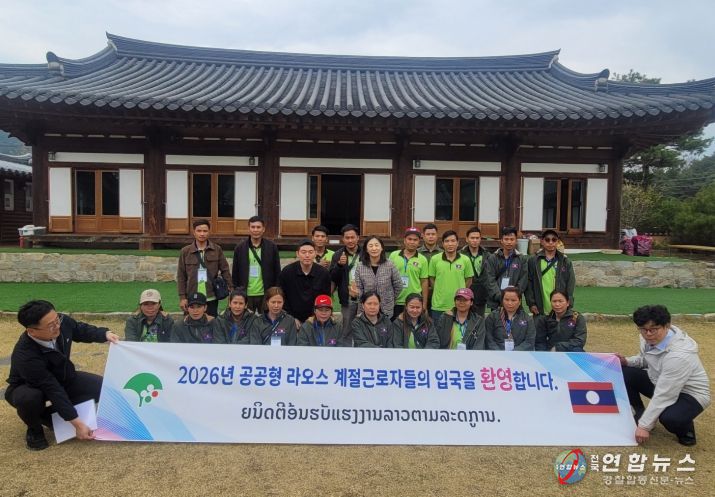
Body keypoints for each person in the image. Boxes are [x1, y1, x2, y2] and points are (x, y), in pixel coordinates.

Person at [5, 300, 119, 450]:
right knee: (29, 399)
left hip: (63, 376)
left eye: (56, 319)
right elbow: (52, 388)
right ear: (32, 331)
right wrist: (77, 423)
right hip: (29, 386)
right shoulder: (25, 355)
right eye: (50, 325)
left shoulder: (61, 322)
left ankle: (48, 416)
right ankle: (34, 428)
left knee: (102, 388)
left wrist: (104, 334)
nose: (57, 326)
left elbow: (79, 329)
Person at [616, 305, 710, 446]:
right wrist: (626, 361)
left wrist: (644, 427)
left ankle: (686, 431)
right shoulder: (648, 338)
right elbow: (646, 360)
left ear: (667, 326)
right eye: (643, 329)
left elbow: (665, 394)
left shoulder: (679, 355)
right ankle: (639, 413)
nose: (648, 334)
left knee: (670, 418)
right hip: (660, 380)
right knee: (624, 372)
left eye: (653, 329)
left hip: (690, 393)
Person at [176, 219, 232, 317]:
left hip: (211, 296)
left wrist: (231, 290)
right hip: (192, 296)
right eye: (199, 231)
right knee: (191, 323)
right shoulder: (185, 251)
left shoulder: (217, 249)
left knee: (211, 323)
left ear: (209, 232)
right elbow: (181, 276)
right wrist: (182, 297)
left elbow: (225, 271)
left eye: (205, 231)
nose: (202, 234)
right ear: (194, 232)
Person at [232, 215, 281, 312]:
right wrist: (237, 291)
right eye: (253, 227)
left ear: (263, 229)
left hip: (266, 293)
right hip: (246, 293)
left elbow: (277, 271)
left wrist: (275, 291)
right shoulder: (240, 248)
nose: (255, 230)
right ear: (249, 229)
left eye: (258, 227)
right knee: (246, 320)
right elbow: (235, 272)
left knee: (266, 319)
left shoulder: (271, 247)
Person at [278, 240, 331, 322]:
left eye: (310, 252)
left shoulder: (323, 273)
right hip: (291, 318)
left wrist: (315, 317)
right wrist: (291, 318)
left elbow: (325, 298)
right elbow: (282, 297)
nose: (307, 255)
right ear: (297, 254)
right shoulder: (287, 272)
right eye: (303, 252)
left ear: (315, 253)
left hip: (316, 318)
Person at [526, 229, 575, 317]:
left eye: (554, 240)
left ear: (558, 242)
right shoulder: (533, 261)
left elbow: (570, 283)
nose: (551, 242)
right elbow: (529, 283)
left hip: (560, 306)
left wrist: (569, 303)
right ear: (542, 241)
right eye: (547, 240)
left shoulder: (565, 261)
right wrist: (531, 303)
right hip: (540, 306)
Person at [428, 230, 474, 321]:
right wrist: (439, 290)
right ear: (442, 243)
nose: (450, 244)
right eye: (447, 241)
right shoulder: (435, 259)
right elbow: (432, 279)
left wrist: (461, 291)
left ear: (457, 243)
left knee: (456, 330)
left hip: (459, 305)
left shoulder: (465, 260)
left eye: (453, 241)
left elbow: (469, 280)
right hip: (439, 305)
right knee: (438, 330)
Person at [354, 235, 403, 320]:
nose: (374, 248)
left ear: (381, 248)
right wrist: (357, 295)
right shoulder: (360, 266)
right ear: (366, 249)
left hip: (386, 308)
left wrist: (390, 298)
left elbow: (398, 285)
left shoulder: (390, 264)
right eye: (370, 246)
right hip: (367, 309)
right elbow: (359, 288)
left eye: (376, 245)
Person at [329, 224, 362, 339]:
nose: (350, 240)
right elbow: (333, 277)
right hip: (347, 298)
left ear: (358, 238)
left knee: (364, 328)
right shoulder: (337, 255)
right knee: (346, 329)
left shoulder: (365, 253)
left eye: (353, 237)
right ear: (343, 239)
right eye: (347, 238)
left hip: (364, 297)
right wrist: (339, 265)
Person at [389, 227, 429, 319]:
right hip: (396, 300)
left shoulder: (422, 259)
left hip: (414, 302)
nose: (412, 242)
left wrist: (424, 304)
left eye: (415, 240)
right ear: (404, 240)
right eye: (409, 239)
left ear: (419, 242)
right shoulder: (393, 255)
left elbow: (424, 282)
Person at [485, 226, 527, 312]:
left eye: (512, 239)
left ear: (516, 241)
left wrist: (513, 297)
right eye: (506, 239)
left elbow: (523, 280)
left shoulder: (521, 259)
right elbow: (490, 280)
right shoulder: (493, 258)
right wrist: (501, 297)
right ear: (501, 240)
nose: (509, 242)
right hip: (496, 302)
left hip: (514, 301)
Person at [485, 286, 535, 351]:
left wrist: (514, 353)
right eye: (506, 300)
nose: (509, 303)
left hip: (519, 355)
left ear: (519, 302)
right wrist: (499, 353)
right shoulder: (492, 317)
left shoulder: (527, 319)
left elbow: (529, 341)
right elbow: (489, 339)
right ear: (502, 300)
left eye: (513, 300)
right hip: (496, 354)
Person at [460, 226, 492, 317]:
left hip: (482, 293)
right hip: (465, 293)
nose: (475, 240)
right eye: (472, 238)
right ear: (467, 239)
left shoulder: (487, 255)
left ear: (480, 239)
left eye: (477, 238)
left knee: (479, 319)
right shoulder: (460, 255)